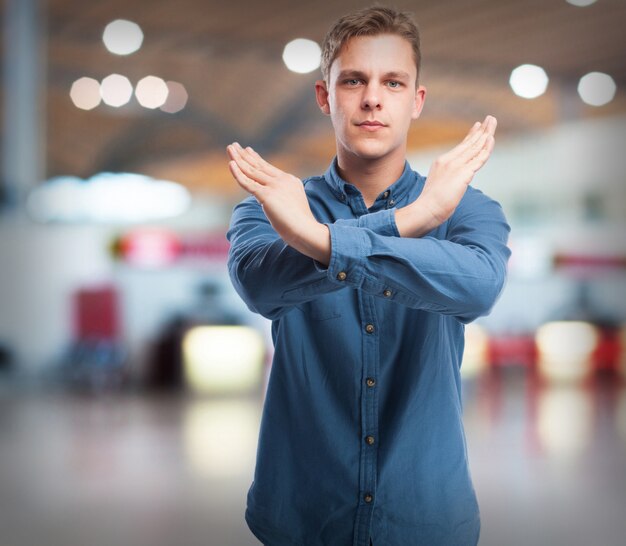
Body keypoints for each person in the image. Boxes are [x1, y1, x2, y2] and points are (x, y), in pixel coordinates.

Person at [226, 6, 510, 546]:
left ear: (416, 100)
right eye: (353, 80)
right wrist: (414, 222)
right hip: (303, 516)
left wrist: (318, 241)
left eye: (393, 82)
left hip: (426, 516)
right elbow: (261, 288)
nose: (372, 98)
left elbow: (480, 287)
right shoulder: (272, 205)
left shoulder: (466, 208)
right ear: (325, 96)